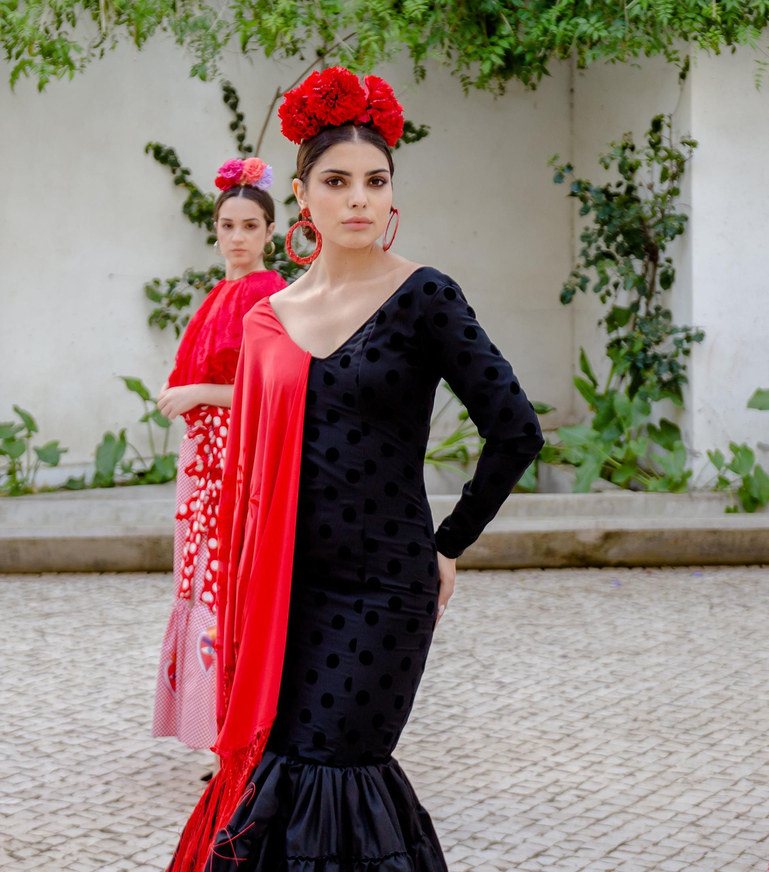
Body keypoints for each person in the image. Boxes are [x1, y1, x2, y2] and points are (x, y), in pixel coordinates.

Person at [166, 67, 543, 872]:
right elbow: (251, 474)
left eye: (376, 181)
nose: (359, 199)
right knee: (278, 768)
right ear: (302, 197)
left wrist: (447, 545)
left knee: (335, 773)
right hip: (286, 591)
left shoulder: (424, 297)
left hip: (385, 590)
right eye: (337, 182)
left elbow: (515, 430)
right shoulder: (272, 319)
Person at [154, 158, 286, 754]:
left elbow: (274, 388)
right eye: (227, 225)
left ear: (269, 233)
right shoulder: (222, 292)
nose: (236, 237)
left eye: (249, 226)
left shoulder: (271, 294)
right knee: (205, 581)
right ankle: (214, 730)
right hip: (205, 456)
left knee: (231, 584)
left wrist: (197, 393)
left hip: (238, 458)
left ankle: (240, 735)